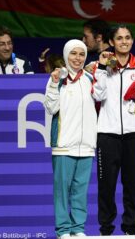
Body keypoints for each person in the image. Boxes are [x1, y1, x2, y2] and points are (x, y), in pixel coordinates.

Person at [92, 25, 135, 236]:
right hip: (107, 134)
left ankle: (130, 228)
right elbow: (98, 96)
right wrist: (101, 68)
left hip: (134, 134)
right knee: (106, 186)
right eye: (119, 38)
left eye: (127, 38)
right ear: (112, 42)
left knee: (132, 185)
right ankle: (106, 229)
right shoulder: (104, 65)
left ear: (132, 41)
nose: (124, 41)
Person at [43, 39, 98, 239]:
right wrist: (54, 83)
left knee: (80, 191)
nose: (78, 58)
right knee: (62, 191)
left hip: (86, 145)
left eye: (81, 54)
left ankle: (78, 228)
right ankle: (63, 230)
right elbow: (50, 108)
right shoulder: (58, 78)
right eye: (73, 54)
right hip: (64, 144)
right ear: (66, 56)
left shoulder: (91, 79)